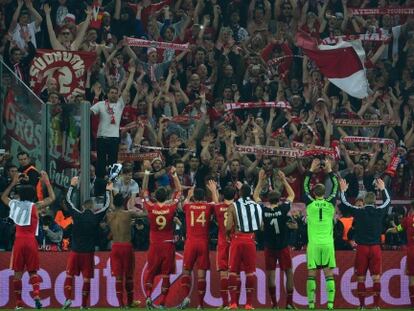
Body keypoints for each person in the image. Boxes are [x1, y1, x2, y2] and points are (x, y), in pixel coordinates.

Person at [1, 171, 55, 310]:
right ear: (32, 195)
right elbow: (52, 198)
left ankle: (19, 304)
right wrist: (46, 181)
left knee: (17, 274)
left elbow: (3, 197)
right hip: (31, 241)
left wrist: (13, 182)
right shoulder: (35, 207)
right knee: (33, 272)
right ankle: (36, 296)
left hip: (19, 241)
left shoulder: (14, 205)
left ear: (20, 195)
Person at [339, 178, 391, 310]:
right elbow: (388, 201)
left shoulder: (359, 211)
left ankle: (362, 306)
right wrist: (383, 188)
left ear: (365, 201)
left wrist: (343, 190)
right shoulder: (379, 211)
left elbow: (345, 203)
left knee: (361, 278)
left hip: (362, 248)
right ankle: (376, 306)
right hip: (375, 248)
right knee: (376, 278)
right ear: (374, 201)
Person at [62, 176, 111, 309]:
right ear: (93, 207)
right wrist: (107, 190)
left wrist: (72, 186)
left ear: (83, 207)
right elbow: (106, 206)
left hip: (75, 251)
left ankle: (67, 299)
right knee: (86, 279)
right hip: (88, 253)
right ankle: (83, 305)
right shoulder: (96, 217)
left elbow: (67, 201)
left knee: (70, 275)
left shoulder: (77, 215)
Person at [254, 169, 297, 309]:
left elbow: (255, 196)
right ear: (279, 199)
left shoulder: (264, 211)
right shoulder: (283, 209)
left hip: (269, 247)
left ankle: (274, 304)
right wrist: (284, 180)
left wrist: (260, 181)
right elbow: (292, 194)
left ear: (268, 200)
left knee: (271, 275)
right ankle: (289, 304)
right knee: (289, 273)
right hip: (283, 246)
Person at [142, 166, 182, 309]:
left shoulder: (150, 207)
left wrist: (147, 174)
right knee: (166, 275)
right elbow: (179, 191)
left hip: (154, 244)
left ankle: (148, 296)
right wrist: (175, 175)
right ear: (166, 196)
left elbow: (144, 192)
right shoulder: (171, 207)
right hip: (167, 244)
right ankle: (163, 302)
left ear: (155, 196)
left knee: (151, 272)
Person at [303, 158, 338, 310]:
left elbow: (304, 186)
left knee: (311, 274)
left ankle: (311, 305)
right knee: (328, 274)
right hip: (328, 244)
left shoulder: (309, 203)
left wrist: (311, 169)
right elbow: (336, 186)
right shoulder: (330, 203)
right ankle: (330, 305)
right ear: (324, 192)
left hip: (314, 244)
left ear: (313, 192)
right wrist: (329, 170)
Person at [90, 65, 135, 178]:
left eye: (116, 92)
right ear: (108, 94)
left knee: (112, 163)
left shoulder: (120, 104)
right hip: (101, 138)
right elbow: (89, 114)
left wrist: (132, 74)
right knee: (100, 163)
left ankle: (111, 185)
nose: (114, 94)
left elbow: (127, 89)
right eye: (112, 92)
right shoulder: (100, 105)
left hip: (114, 139)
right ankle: (99, 183)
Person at [178, 182, 216, 309]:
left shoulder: (189, 206)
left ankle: (185, 298)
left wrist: (188, 196)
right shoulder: (208, 206)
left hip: (190, 242)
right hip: (203, 243)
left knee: (186, 271)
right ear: (204, 197)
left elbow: (182, 205)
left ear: (194, 197)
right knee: (201, 275)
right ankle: (200, 304)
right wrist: (214, 191)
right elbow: (216, 205)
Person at [226, 183, 262, 310]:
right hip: (250, 240)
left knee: (233, 272)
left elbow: (228, 226)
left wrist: (227, 235)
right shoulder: (257, 206)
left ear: (239, 193)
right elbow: (261, 225)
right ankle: (249, 304)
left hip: (237, 239)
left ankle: (233, 303)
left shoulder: (233, 206)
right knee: (250, 272)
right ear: (250, 193)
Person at [107, 192, 145, 308]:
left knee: (118, 277)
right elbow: (146, 214)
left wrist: (109, 193)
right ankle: (130, 302)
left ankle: (121, 305)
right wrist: (145, 200)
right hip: (126, 247)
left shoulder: (109, 216)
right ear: (124, 203)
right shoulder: (129, 214)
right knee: (128, 276)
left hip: (115, 247)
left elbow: (110, 206)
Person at [212, 184, 236, 309]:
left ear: (223, 195)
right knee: (234, 273)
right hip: (235, 242)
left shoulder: (219, 207)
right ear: (235, 195)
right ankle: (233, 303)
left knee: (223, 273)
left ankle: (225, 303)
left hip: (222, 242)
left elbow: (216, 202)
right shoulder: (237, 207)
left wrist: (213, 190)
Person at [387, 202, 414, 308]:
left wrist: (389, 229)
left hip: (412, 251)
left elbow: (397, 229)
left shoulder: (408, 220)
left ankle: (413, 305)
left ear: (411, 208)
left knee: (412, 278)